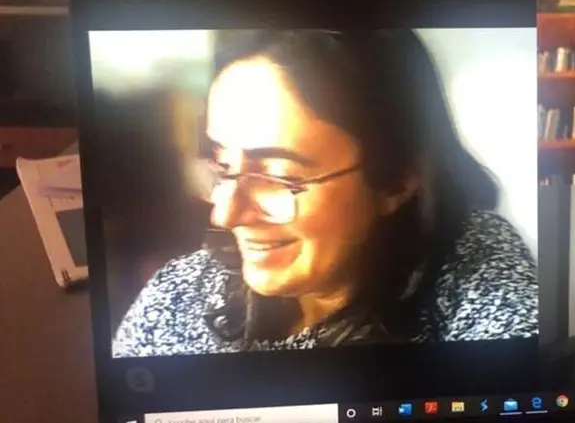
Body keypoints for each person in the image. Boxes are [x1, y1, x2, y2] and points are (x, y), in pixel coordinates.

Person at [112, 30, 538, 357]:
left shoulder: (478, 270)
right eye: (222, 166)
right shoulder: (179, 293)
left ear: (396, 179)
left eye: (279, 176)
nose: (225, 215)